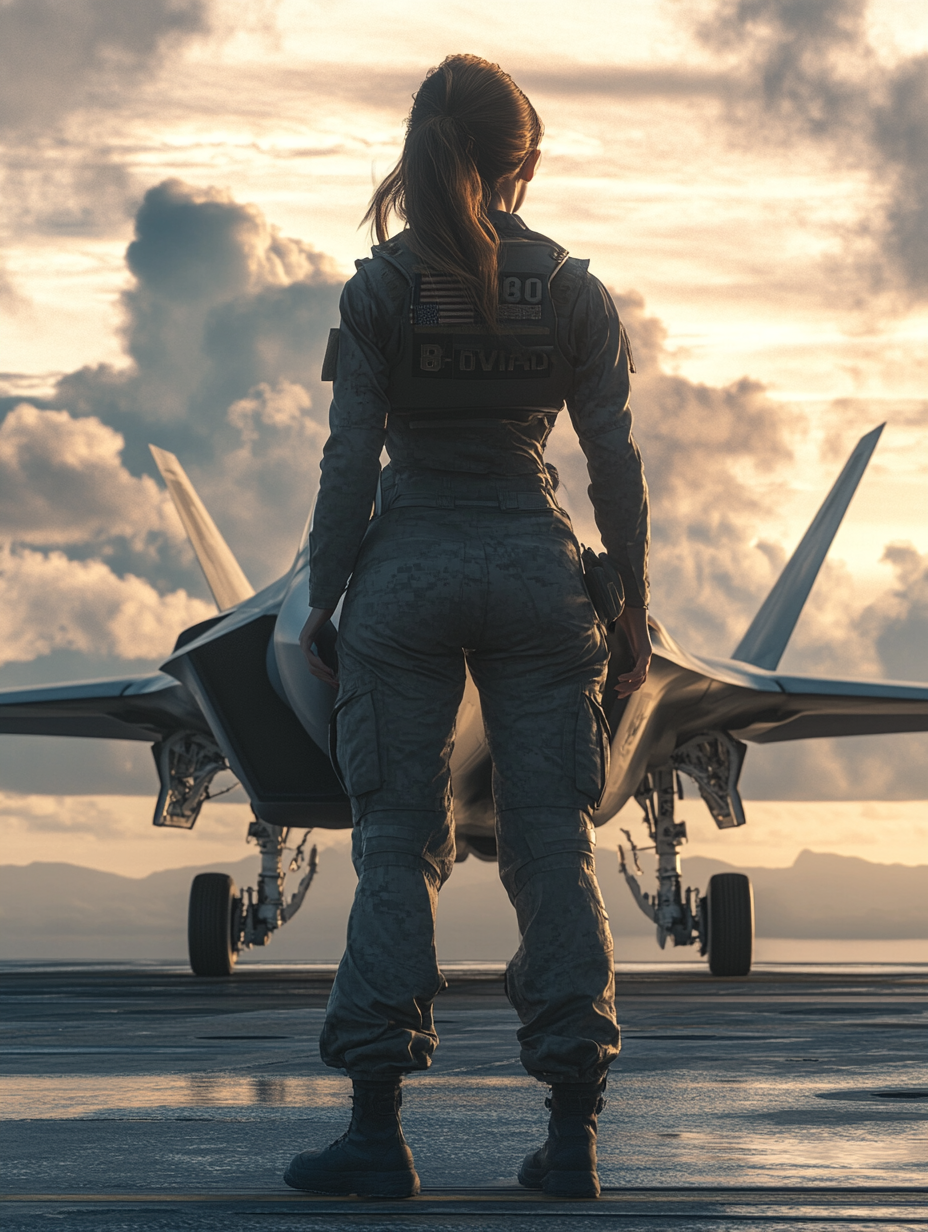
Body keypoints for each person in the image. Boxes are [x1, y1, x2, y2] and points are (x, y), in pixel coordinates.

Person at [287, 53, 651, 1201]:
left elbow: (349, 461)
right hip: (540, 578)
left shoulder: (379, 290)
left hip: (405, 573)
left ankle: (376, 1132)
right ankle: (571, 1134)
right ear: (520, 163)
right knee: (552, 843)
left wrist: (324, 600)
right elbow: (613, 463)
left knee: (397, 842)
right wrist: (630, 605)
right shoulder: (573, 291)